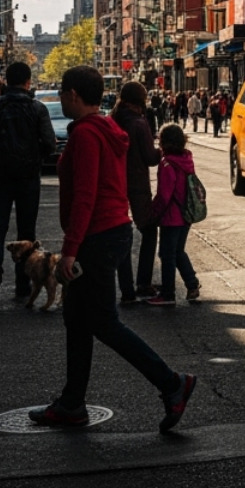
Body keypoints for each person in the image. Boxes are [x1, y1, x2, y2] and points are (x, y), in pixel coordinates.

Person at [28, 66, 196, 432]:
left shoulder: (88, 135)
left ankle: (172, 383)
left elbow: (86, 194)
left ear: (73, 95)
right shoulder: (104, 129)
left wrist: (70, 250)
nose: (60, 98)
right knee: (76, 318)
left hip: (98, 236)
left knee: (103, 322)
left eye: (62, 93)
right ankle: (72, 403)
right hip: (109, 230)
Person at [0, 61, 56, 307]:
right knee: (26, 230)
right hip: (28, 178)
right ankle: (23, 281)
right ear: (28, 82)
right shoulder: (37, 108)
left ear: (6, 82)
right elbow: (50, 144)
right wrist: (36, 157)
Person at [113, 82, 161, 303]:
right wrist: (163, 151)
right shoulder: (139, 124)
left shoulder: (114, 120)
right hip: (137, 183)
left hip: (116, 181)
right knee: (149, 231)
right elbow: (150, 157)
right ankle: (142, 282)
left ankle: (126, 289)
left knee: (122, 233)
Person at [147, 123, 202, 305]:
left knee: (166, 254)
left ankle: (168, 294)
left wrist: (153, 213)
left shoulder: (167, 163)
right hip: (186, 213)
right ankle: (192, 284)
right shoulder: (187, 160)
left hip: (171, 216)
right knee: (178, 252)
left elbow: (164, 194)